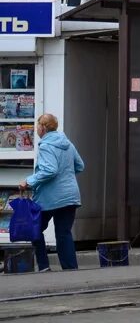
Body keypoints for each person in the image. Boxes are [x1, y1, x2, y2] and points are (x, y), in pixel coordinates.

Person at [20, 113, 83, 273]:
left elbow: (50, 170)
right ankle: (71, 270)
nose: (36, 129)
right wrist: (65, 175)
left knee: (34, 228)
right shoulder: (67, 143)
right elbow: (80, 166)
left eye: (37, 126)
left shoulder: (46, 145)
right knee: (64, 233)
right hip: (70, 196)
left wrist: (29, 181)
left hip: (50, 197)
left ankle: (44, 266)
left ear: (43, 128)